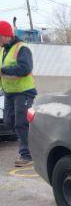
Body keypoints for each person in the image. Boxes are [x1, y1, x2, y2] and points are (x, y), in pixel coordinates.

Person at [0, 20, 37, 167]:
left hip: (24, 92)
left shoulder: (21, 49)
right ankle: (34, 140)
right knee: (9, 122)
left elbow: (25, 68)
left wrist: (4, 71)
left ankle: (27, 155)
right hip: (9, 93)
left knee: (20, 123)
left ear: (4, 35)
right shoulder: (3, 50)